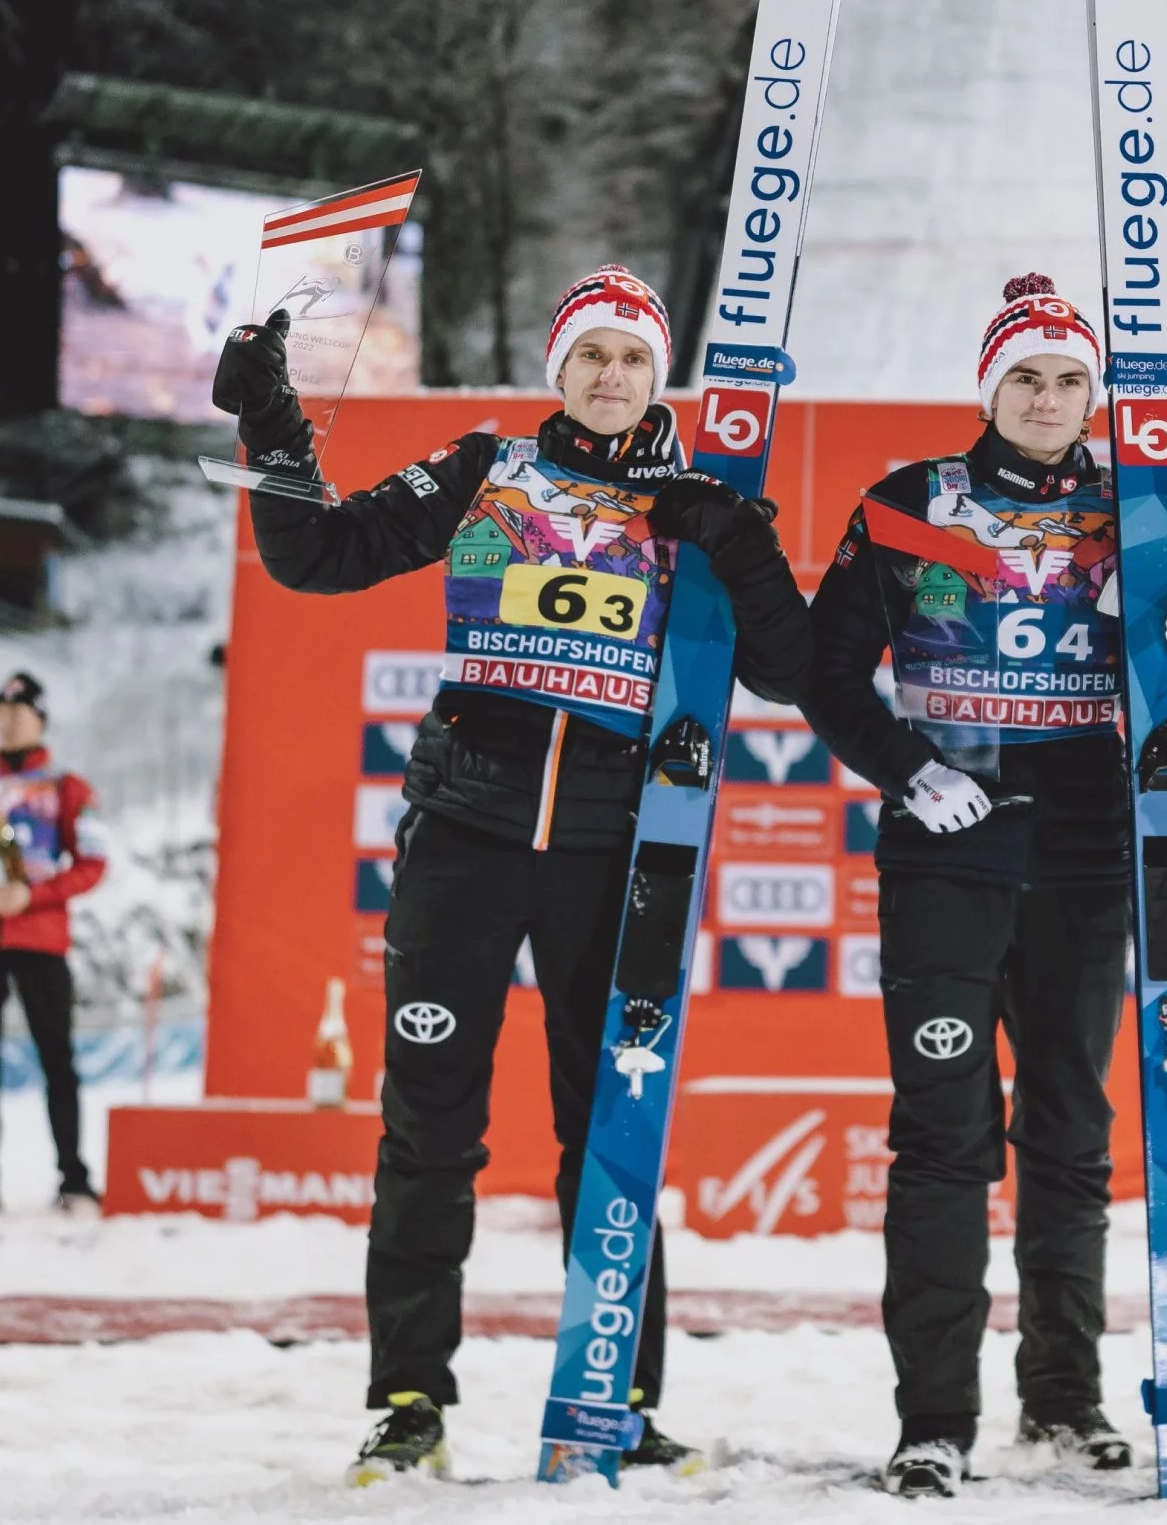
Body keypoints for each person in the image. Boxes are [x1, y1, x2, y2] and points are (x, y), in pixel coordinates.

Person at [214, 263, 812, 1483]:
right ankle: (407, 1400)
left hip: (614, 857)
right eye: (589, 353)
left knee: (611, 1132)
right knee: (429, 1132)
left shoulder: (693, 497)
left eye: (632, 357)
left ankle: (617, 1399)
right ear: (559, 367)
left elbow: (792, 673)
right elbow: (316, 555)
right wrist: (270, 425)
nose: (609, 375)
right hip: (467, 840)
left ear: (656, 376)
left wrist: (743, 551)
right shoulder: (489, 468)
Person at [805, 274, 1139, 1498]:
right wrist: (905, 766)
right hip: (949, 847)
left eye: (1069, 380)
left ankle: (1064, 1399)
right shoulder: (909, 505)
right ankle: (933, 1419)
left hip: (1085, 851)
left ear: (1093, 395)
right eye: (1027, 377)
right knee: (945, 1138)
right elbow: (825, 669)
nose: (1049, 399)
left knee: (1070, 1130)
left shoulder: (1135, 508)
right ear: (987, 388)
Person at [0, 672, 109, 1213]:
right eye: (1, 709)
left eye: (20, 710)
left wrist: (34, 897)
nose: (8, 719)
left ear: (41, 719)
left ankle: (73, 1177)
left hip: (41, 940)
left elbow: (94, 864)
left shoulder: (69, 787)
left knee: (57, 1059)